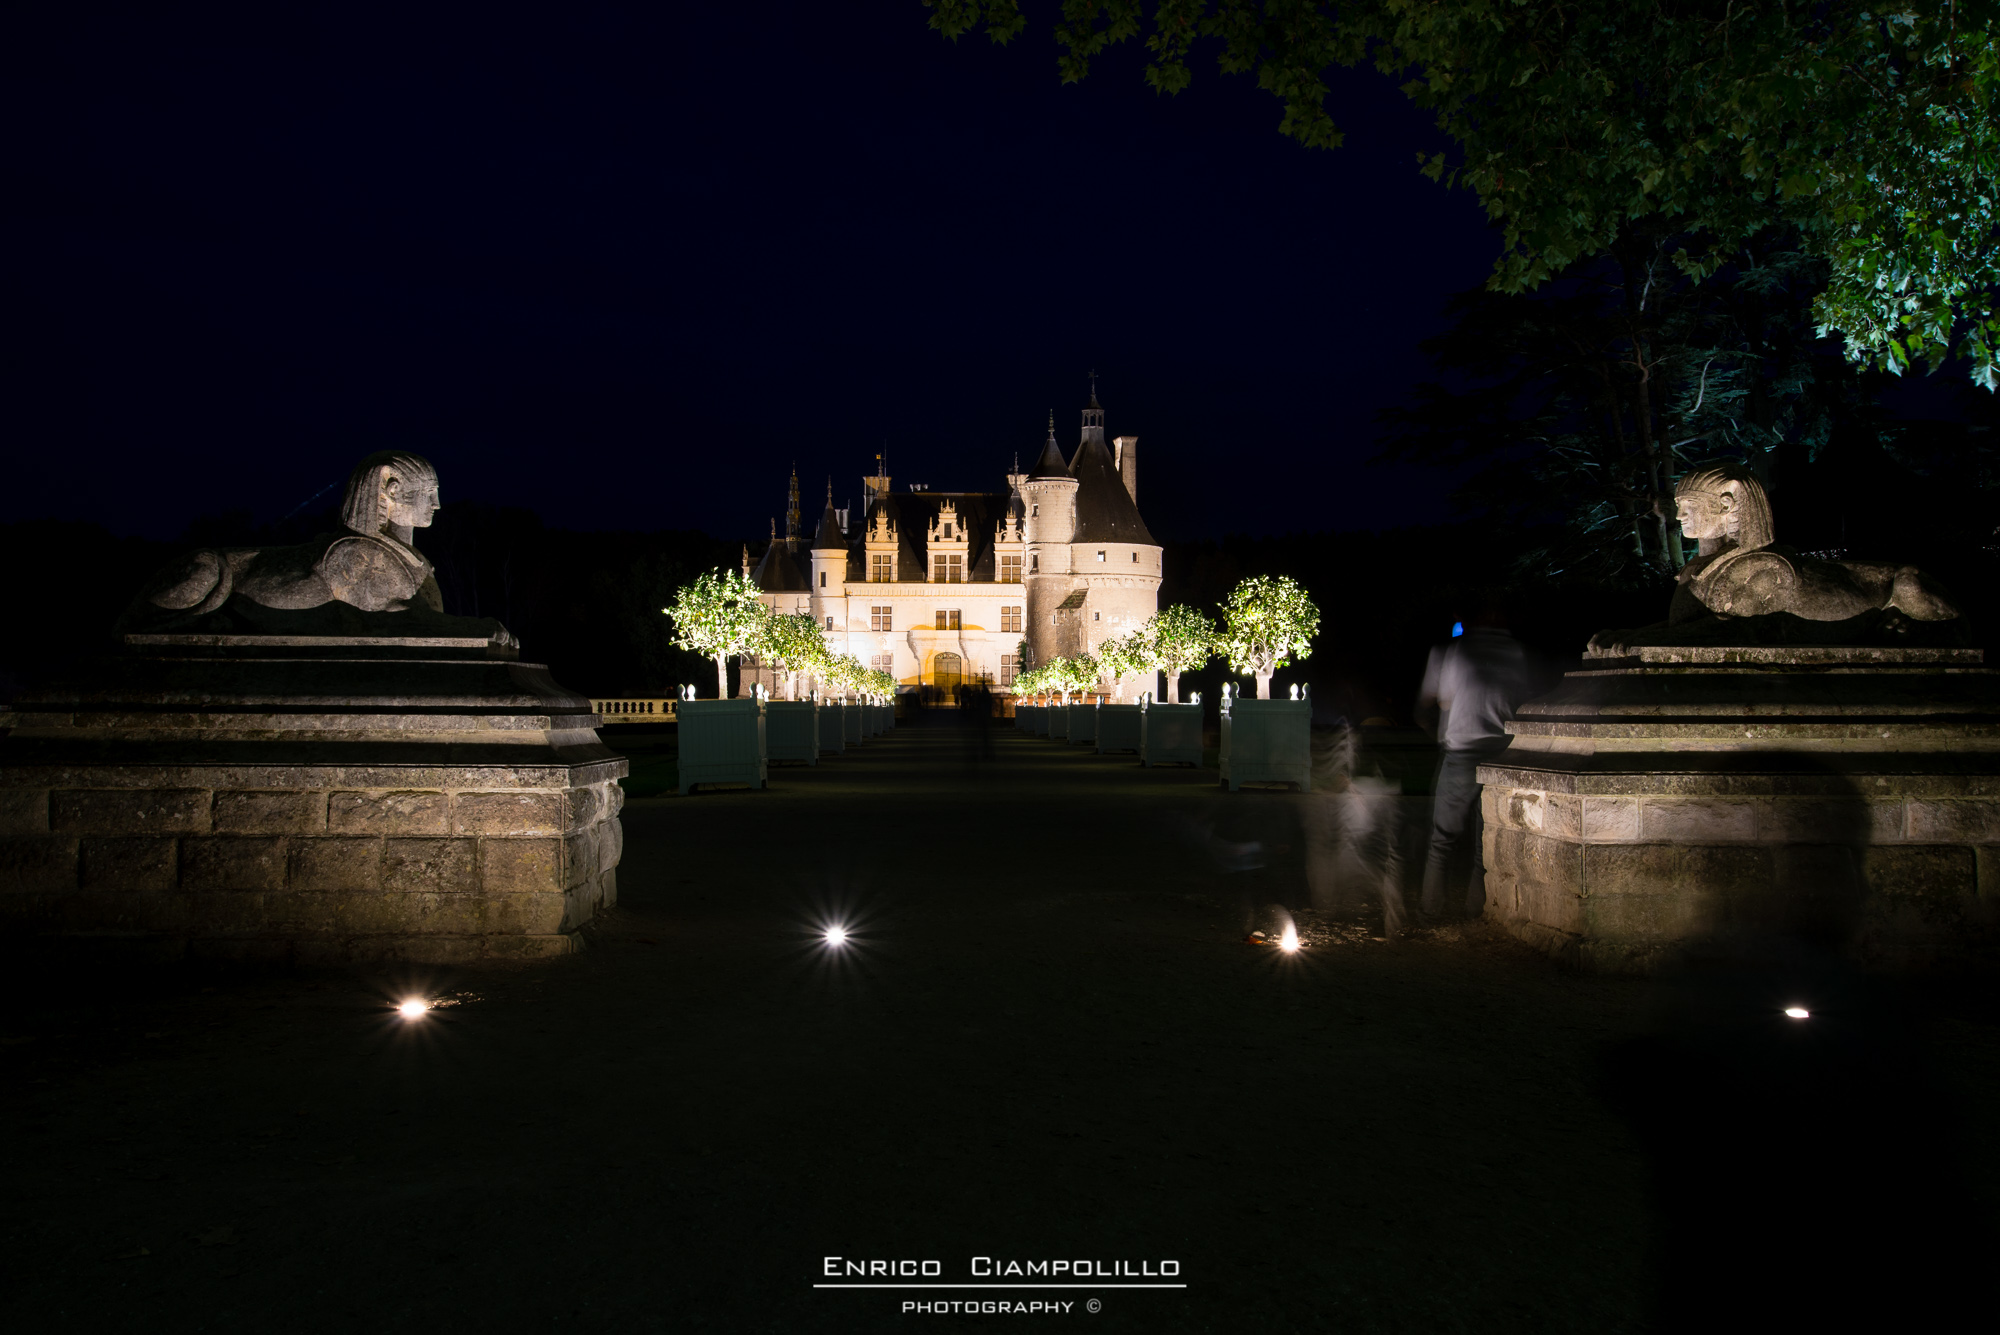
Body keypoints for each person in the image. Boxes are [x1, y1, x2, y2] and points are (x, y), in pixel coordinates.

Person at [1416, 612, 1528, 919]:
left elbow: (1442, 701)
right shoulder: (1515, 652)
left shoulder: (1458, 650)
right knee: (1484, 846)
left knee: (1442, 839)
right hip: (1501, 752)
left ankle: (1431, 910)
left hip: (1462, 751)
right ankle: (1476, 911)